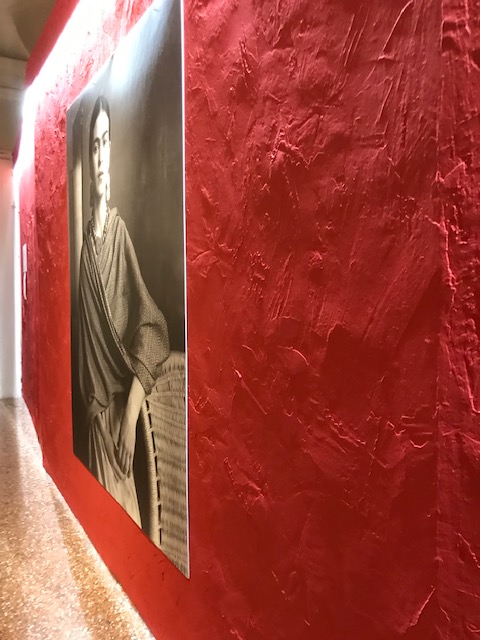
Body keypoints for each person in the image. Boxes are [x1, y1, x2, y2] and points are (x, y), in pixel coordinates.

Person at [77, 95, 170, 526]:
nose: (101, 155)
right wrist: (105, 416)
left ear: (112, 150)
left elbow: (152, 327)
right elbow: (88, 360)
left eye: (106, 142)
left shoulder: (119, 234)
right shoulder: (86, 255)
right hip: (98, 423)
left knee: (127, 521)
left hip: (120, 422)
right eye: (94, 145)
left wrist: (131, 412)